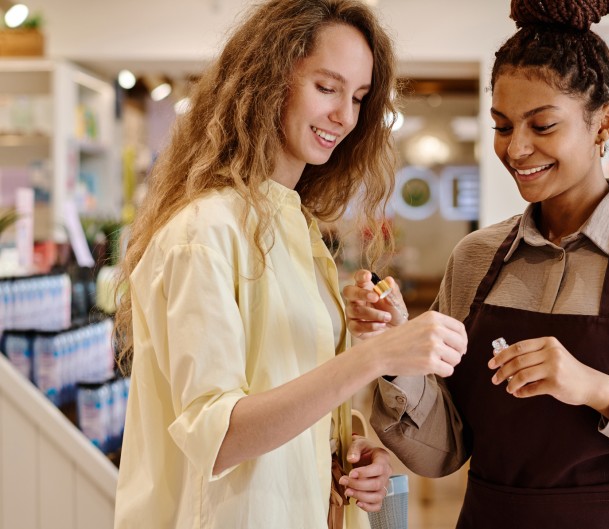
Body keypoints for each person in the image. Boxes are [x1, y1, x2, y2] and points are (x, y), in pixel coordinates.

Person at [343, 1, 609, 527]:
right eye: (503, 125)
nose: (517, 148)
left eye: (543, 125)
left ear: (604, 123)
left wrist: (599, 391)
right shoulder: (475, 259)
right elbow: (442, 451)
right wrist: (397, 351)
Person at [112, 1, 467, 528]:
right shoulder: (203, 232)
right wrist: (374, 359)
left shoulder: (295, 227)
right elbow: (221, 438)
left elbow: (288, 402)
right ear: (265, 81)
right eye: (327, 88)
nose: (345, 116)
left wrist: (347, 449)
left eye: (359, 98)